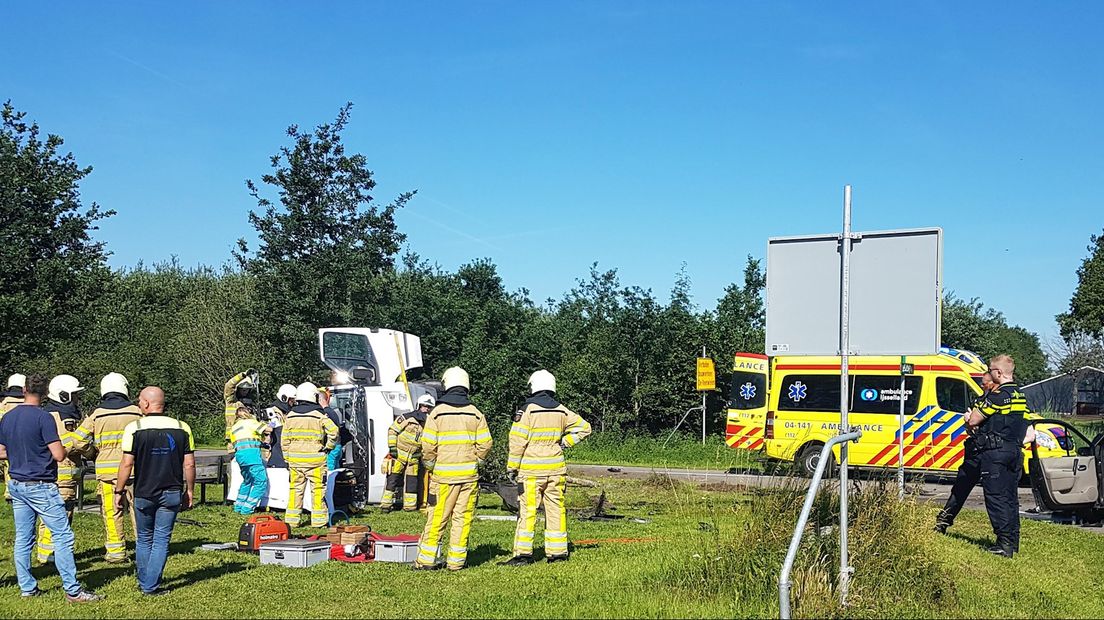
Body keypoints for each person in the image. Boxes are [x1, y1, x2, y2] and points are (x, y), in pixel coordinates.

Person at [0, 374, 101, 602]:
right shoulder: (43, 418)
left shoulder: (8, 417)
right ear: (46, 393)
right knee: (63, 537)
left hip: (16, 484)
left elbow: (1, 451)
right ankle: (73, 590)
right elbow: (58, 454)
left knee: (23, 539)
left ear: (23, 389)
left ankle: (27, 588)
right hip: (41, 485)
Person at [501, 370, 592, 566]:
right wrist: (565, 443)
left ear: (533, 386)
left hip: (532, 471)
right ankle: (558, 553)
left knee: (528, 512)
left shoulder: (528, 410)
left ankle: (523, 555)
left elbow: (517, 440)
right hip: (556, 469)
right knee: (556, 510)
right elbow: (585, 428)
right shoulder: (561, 410)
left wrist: (512, 467)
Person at [116, 386, 195, 596]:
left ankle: (145, 582)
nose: (139, 404)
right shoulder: (182, 427)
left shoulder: (134, 428)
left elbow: (126, 464)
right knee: (161, 539)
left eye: (140, 401)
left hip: (144, 491)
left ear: (147, 403)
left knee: (144, 539)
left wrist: (119, 490)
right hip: (171, 491)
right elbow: (189, 465)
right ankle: (149, 584)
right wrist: (190, 491)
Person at [414, 367, 492, 571]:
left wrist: (430, 465)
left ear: (446, 384)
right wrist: (477, 462)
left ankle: (426, 561)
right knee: (462, 518)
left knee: (437, 517)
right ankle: (456, 562)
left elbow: (428, 445)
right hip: (468, 477)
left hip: (444, 478)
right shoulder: (476, 413)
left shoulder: (437, 413)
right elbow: (486, 444)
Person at [71, 373, 143, 562]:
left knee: (112, 511)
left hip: (107, 472)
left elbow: (78, 441)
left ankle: (116, 552)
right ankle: (143, 547)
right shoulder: (136, 412)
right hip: (136, 469)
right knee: (139, 510)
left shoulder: (97, 414)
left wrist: (92, 453)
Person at [967, 354, 1029, 558]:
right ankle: (1013, 540)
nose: (988, 373)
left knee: (995, 497)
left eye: (991, 370)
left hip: (995, 453)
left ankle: (1003, 544)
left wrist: (969, 417)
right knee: (1011, 498)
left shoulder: (997, 396)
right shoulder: (1020, 395)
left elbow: (975, 420)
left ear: (999, 373)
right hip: (1015, 451)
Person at [934, 371, 996, 534]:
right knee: (960, 488)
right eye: (982, 384)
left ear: (993, 383)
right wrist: (969, 422)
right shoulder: (980, 401)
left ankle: (1002, 534)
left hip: (992, 452)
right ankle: (942, 522)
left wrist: (971, 420)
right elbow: (970, 427)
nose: (982, 386)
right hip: (975, 450)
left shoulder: (998, 401)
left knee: (994, 494)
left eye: (985, 383)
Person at [37, 374, 87, 564]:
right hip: (62, 475)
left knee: (53, 514)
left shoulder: (54, 414)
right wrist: (86, 445)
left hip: (62, 475)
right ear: (63, 395)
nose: (76, 400)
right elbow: (68, 442)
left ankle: (46, 553)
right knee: (59, 515)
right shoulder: (61, 418)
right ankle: (50, 555)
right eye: (74, 396)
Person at [281, 382, 338, 528]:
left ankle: (292, 521)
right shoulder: (319, 415)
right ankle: (318, 521)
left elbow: (284, 440)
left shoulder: (290, 416)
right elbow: (334, 431)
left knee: (295, 489)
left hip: (295, 461)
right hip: (316, 460)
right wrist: (328, 447)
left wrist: (287, 458)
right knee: (318, 490)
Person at [382, 393, 434, 512]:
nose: (426, 408)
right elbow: (392, 430)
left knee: (412, 482)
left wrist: (421, 453)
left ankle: (410, 507)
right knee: (392, 480)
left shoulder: (429, 423)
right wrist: (392, 448)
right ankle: (386, 505)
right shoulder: (407, 417)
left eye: (429, 407)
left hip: (414, 457)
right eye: (424, 406)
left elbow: (428, 442)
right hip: (399, 454)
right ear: (419, 405)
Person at [229, 406, 271, 514]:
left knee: (247, 481)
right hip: (252, 456)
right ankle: (248, 508)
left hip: (240, 456)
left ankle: (238, 506)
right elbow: (268, 429)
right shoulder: (250, 422)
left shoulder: (234, 427)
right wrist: (267, 422)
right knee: (261, 482)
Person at [1, 373, 27, 500]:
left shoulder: (3, 405)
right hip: (26, 441)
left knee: (8, 465)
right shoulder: (29, 403)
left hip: (7, 441)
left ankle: (9, 491)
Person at [223, 370, 258, 452]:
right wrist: (243, 375)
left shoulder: (250, 404)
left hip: (249, 439)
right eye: (242, 389)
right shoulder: (231, 402)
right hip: (233, 439)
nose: (245, 391)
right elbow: (229, 386)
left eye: (247, 389)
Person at [263, 384, 296, 468]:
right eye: (292, 400)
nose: (293, 403)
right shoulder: (273, 412)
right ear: (284, 398)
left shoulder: (289, 412)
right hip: (275, 454)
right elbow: (269, 428)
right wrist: (272, 424)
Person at [319, 388, 345, 470]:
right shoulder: (333, 411)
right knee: (335, 472)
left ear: (320, 399)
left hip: (332, 449)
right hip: (337, 446)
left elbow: (331, 431)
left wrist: (327, 447)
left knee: (329, 473)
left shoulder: (324, 413)